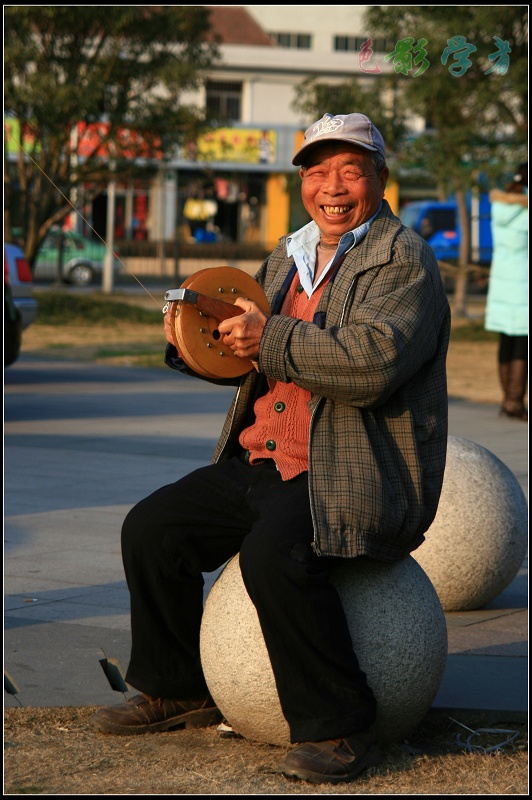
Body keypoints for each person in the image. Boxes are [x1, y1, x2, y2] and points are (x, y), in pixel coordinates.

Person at [90, 112, 451, 785]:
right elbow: (246, 355)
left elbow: (373, 363)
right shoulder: (286, 255)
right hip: (264, 460)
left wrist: (270, 334)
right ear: (302, 182)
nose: (332, 186)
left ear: (380, 176)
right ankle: (178, 690)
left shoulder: (403, 259)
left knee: (274, 553)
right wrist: (192, 336)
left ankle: (343, 727)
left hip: (352, 475)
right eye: (318, 170)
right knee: (152, 527)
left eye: (351, 169)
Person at [484, 163, 528, 421]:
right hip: (524, 283)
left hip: (501, 282)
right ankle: (515, 402)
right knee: (523, 343)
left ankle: (506, 399)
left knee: (506, 342)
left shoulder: (499, 208)